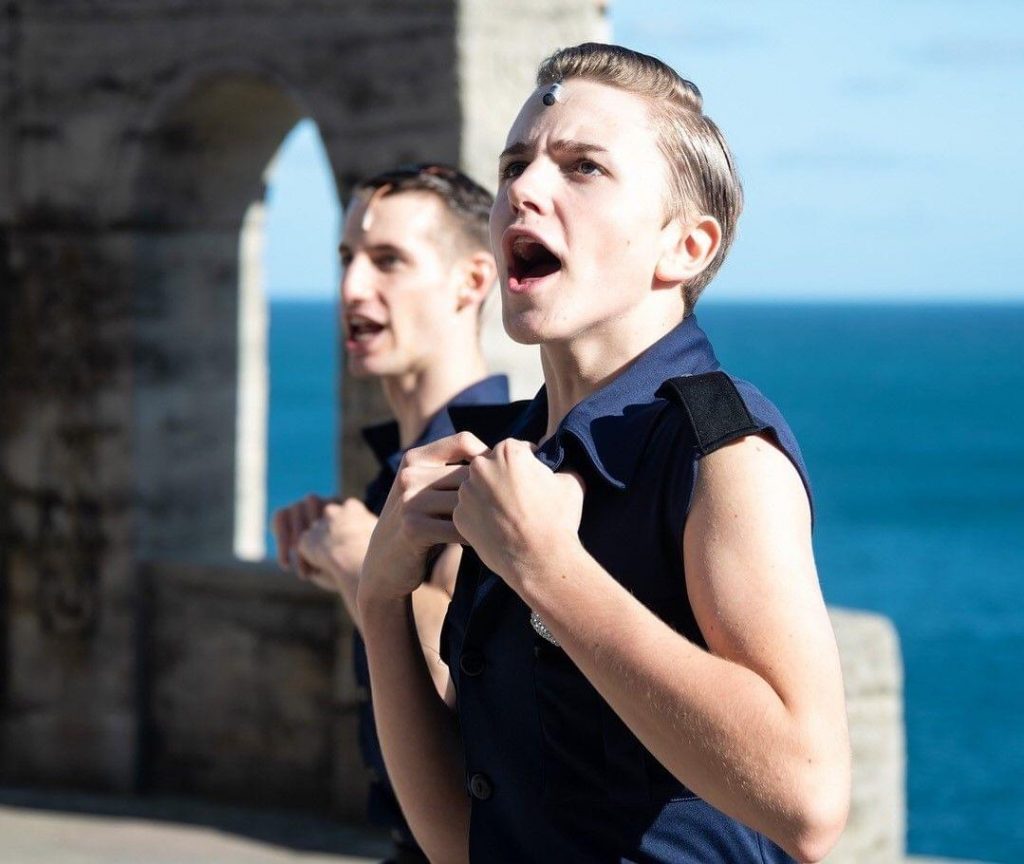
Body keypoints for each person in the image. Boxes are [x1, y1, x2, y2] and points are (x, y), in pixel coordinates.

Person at [357, 44, 852, 864]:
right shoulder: (509, 455)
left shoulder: (720, 451)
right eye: (516, 162)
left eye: (582, 168)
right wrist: (380, 599)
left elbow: (809, 801)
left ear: (685, 248)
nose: (523, 187)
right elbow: (461, 843)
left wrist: (552, 573)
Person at [270, 163, 508, 864]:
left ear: (472, 281)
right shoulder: (396, 474)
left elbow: (456, 678)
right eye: (346, 259)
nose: (350, 289)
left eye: (388, 261)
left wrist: (359, 568)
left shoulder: (498, 461)